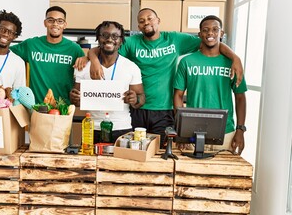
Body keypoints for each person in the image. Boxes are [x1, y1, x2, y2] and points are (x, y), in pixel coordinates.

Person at [82, 8, 244, 147]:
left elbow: (209, 40)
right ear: (138, 26)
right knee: (136, 151)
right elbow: (107, 45)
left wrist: (235, 58)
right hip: (137, 109)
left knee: (161, 153)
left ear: (158, 20)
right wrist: (93, 59)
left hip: (164, 110)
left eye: (150, 18)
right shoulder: (133, 42)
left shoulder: (175, 39)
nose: (146, 22)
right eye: (142, 20)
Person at [0, 6, 85, 104]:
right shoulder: (31, 45)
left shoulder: (74, 49)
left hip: (63, 110)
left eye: (60, 21)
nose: (55, 24)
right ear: (45, 23)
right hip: (36, 109)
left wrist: (89, 57)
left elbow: (83, 74)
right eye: (51, 20)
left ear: (65, 24)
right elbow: (3, 47)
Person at [173, 15, 247, 155]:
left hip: (226, 134)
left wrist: (240, 129)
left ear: (221, 33)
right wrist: (181, 130)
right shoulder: (187, 62)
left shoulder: (232, 64)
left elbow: (240, 97)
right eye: (206, 30)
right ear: (200, 34)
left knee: (223, 175)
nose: (210, 33)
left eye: (215, 29)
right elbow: (178, 95)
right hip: (192, 132)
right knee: (190, 176)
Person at [70, 21, 145, 143]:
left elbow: (141, 98)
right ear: (98, 39)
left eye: (115, 36)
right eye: (104, 35)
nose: (110, 39)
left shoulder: (131, 67)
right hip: (92, 127)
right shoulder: (83, 67)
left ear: (121, 41)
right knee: (90, 162)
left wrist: (135, 99)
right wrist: (74, 97)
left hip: (121, 128)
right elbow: (75, 100)